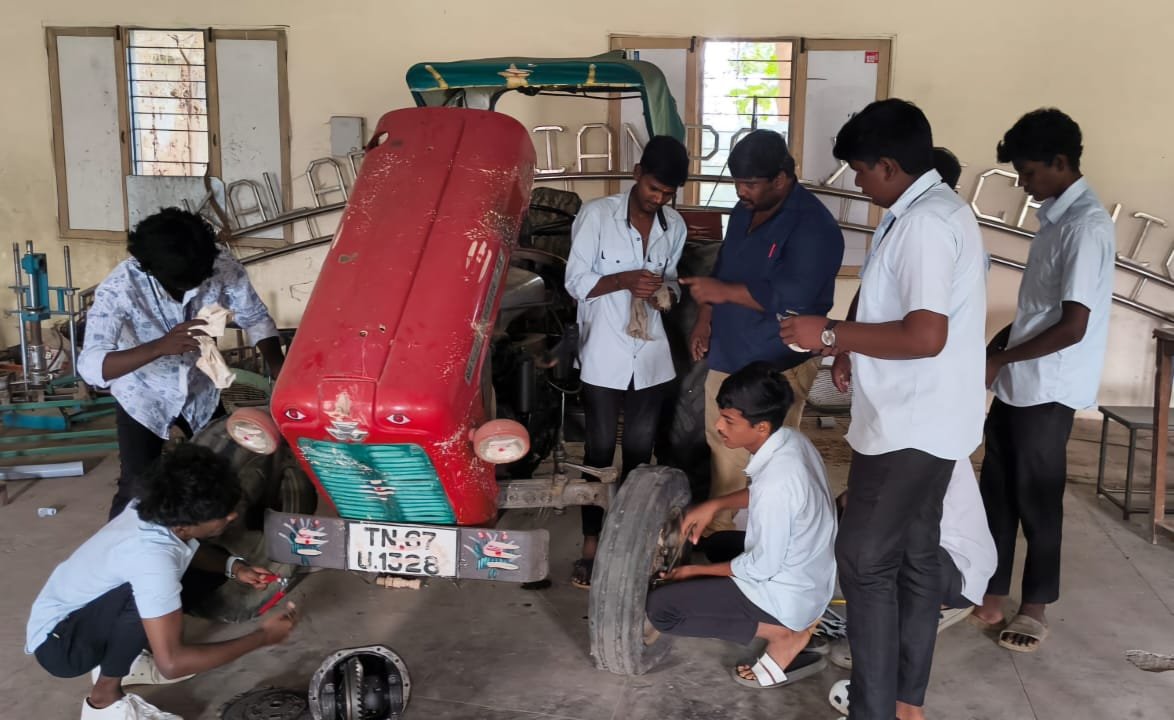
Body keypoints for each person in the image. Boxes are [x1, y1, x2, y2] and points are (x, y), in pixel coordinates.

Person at [780, 98, 987, 720]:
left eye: (862, 171)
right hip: (929, 418)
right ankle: (903, 701)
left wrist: (827, 335)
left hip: (908, 426)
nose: (859, 183)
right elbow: (893, 307)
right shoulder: (933, 209)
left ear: (890, 166)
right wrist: (851, 345)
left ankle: (873, 709)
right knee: (915, 556)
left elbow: (926, 335)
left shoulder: (924, 224)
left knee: (864, 561)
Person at [974, 109, 1115, 653]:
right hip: (1020, 379)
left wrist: (1003, 359)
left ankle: (1034, 606)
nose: (1024, 185)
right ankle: (991, 592)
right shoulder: (1056, 220)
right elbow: (1039, 310)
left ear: (1061, 162)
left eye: (1029, 173)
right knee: (997, 490)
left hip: (1050, 386)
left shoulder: (1085, 227)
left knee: (1036, 497)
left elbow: (1073, 325)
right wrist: (998, 347)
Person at [25, 443, 299, 720]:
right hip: (63, 647)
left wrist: (234, 567)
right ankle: (104, 701)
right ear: (182, 525)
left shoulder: (154, 506)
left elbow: (185, 546)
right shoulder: (151, 559)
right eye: (222, 515)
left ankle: (127, 659)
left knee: (190, 576)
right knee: (150, 592)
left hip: (79, 613)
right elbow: (172, 664)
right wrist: (264, 637)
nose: (232, 516)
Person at [680, 129, 844, 540]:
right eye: (737, 182)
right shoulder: (743, 211)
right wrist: (705, 318)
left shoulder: (814, 226)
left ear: (782, 178)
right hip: (728, 352)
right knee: (722, 445)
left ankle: (762, 541)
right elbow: (723, 269)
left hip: (777, 364)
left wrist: (722, 293)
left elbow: (794, 297)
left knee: (768, 458)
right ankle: (720, 535)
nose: (741, 191)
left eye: (750, 183)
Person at [78, 208, 285, 520]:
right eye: (178, 286)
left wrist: (279, 368)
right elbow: (92, 367)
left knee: (223, 472)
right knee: (137, 487)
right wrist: (159, 347)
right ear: (149, 269)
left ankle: (220, 543)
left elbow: (254, 316)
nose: (188, 291)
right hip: (143, 394)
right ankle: (125, 546)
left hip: (200, 389)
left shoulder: (220, 263)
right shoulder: (120, 287)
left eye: (197, 282)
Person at [646, 362, 836, 688]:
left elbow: (762, 567)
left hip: (790, 591)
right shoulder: (790, 440)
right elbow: (766, 496)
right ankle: (796, 621)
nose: (718, 425)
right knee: (718, 543)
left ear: (761, 427)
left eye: (729, 420)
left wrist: (693, 572)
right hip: (812, 572)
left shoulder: (778, 483)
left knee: (662, 609)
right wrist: (714, 504)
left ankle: (784, 633)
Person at [564, 136, 690, 588]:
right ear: (637, 174)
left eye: (668, 194)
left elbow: (673, 282)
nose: (659, 200)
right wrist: (624, 280)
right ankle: (591, 546)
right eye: (654, 188)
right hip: (605, 348)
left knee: (639, 453)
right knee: (599, 451)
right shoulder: (597, 215)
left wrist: (664, 294)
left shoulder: (674, 226)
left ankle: (628, 544)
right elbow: (576, 282)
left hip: (650, 351)